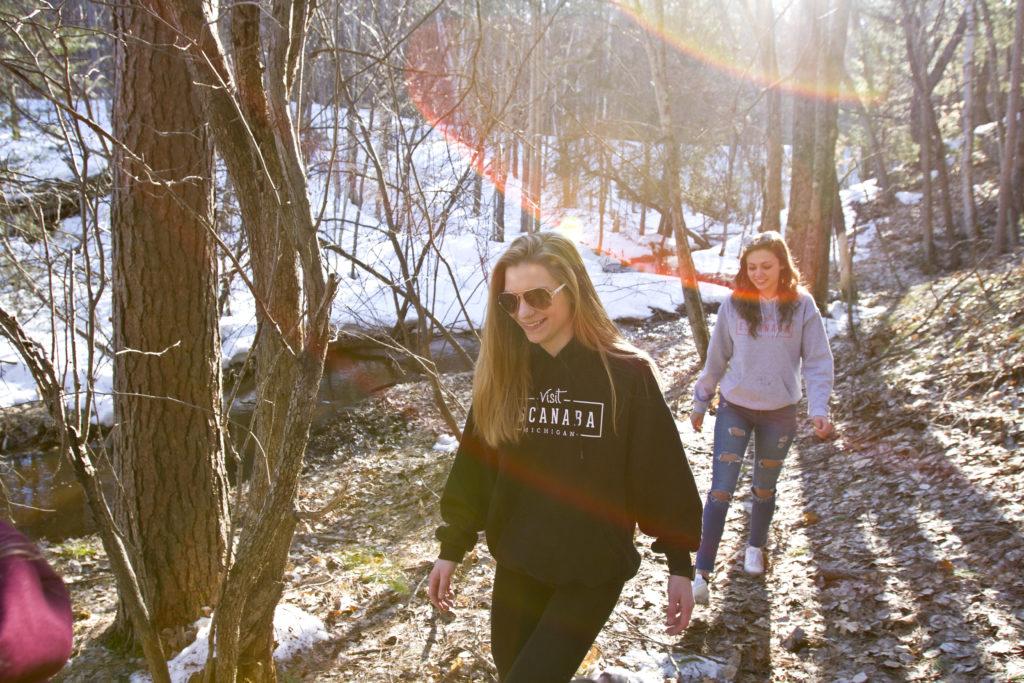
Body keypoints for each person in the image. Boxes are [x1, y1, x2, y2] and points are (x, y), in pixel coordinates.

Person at [427, 232, 702, 683]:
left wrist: (679, 565)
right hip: (519, 561)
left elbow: (660, 473)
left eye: (536, 297)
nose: (524, 313)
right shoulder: (502, 375)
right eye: (509, 302)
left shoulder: (625, 375)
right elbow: (475, 469)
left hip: (591, 571)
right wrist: (452, 546)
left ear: (571, 289)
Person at [688, 230, 834, 605]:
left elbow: (818, 361)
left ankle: (756, 546)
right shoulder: (735, 305)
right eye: (751, 267)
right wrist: (701, 401)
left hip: (779, 412)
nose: (758, 273)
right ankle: (701, 571)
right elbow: (716, 359)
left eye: (766, 266)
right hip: (735, 406)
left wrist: (818, 409)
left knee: (764, 488)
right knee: (721, 489)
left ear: (782, 264)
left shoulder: (802, 306)